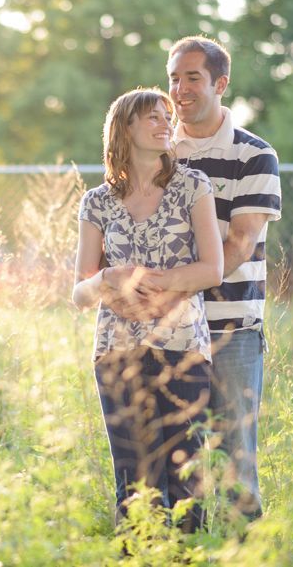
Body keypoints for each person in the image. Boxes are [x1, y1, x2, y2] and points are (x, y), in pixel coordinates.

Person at [72, 87, 224, 532]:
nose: (165, 123)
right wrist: (107, 280)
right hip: (117, 353)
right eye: (152, 117)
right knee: (134, 483)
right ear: (125, 128)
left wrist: (153, 287)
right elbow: (79, 293)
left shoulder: (193, 186)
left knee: (185, 481)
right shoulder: (96, 202)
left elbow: (212, 269)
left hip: (183, 348)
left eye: (166, 116)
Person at [163, 36, 282, 521]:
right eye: (173, 78)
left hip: (232, 331)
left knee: (237, 467)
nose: (180, 89)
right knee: (178, 466)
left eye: (192, 77)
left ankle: (245, 555)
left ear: (220, 83)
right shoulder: (160, 153)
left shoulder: (255, 155)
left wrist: (174, 286)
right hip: (167, 331)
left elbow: (239, 243)